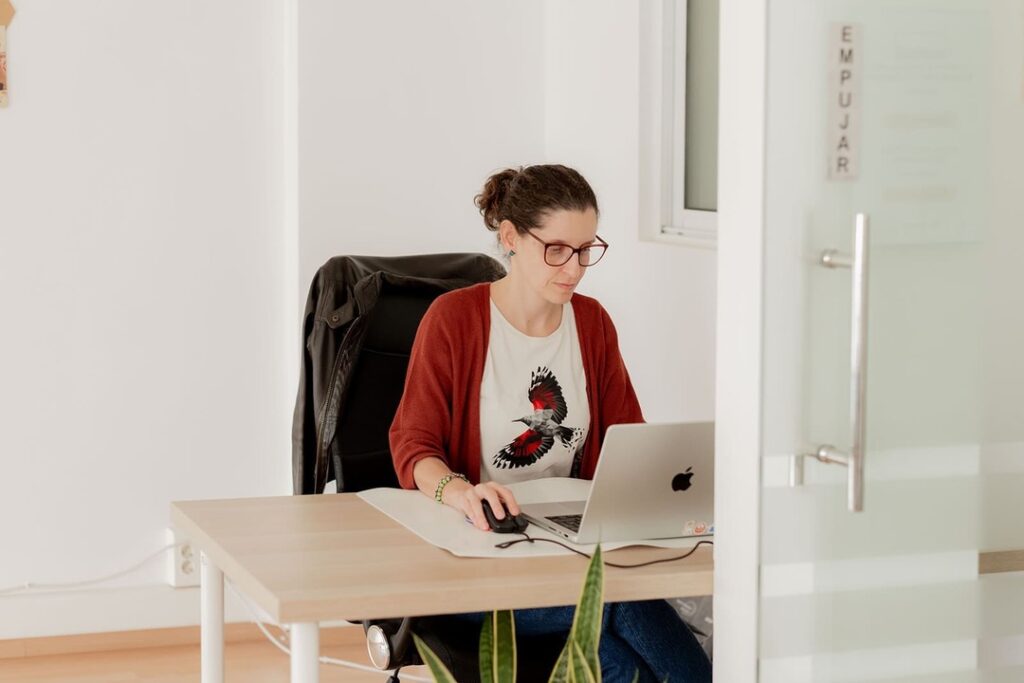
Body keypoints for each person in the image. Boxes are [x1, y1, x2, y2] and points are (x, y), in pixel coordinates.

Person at [389, 164, 712, 683]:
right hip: (477, 563)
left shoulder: (592, 323)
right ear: (511, 237)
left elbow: (627, 441)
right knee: (621, 602)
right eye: (558, 249)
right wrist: (460, 492)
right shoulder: (454, 320)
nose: (575, 268)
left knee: (617, 657)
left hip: (568, 550)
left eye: (586, 250)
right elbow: (413, 444)